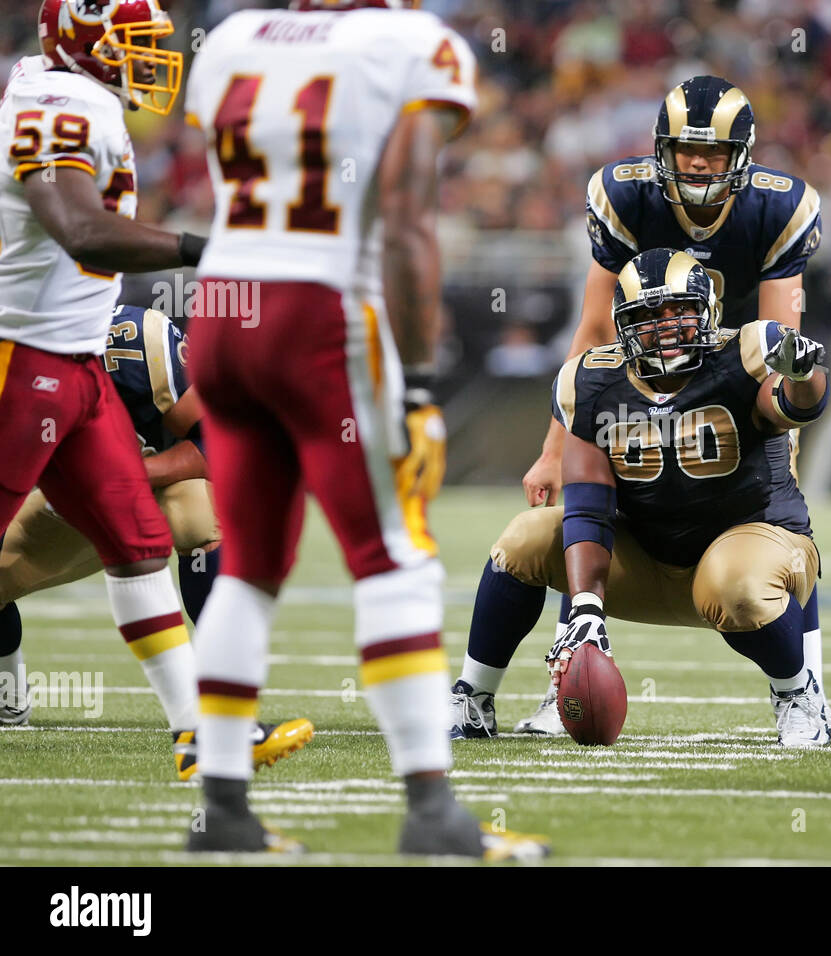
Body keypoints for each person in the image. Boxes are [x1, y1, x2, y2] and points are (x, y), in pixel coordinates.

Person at [183, 0, 544, 859]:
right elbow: (409, 214)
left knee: (247, 565)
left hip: (222, 309)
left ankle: (223, 810)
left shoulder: (231, 38)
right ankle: (431, 813)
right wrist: (418, 382)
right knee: (395, 556)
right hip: (319, 311)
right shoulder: (411, 43)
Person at [511, 75, 831, 736]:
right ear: (661, 148)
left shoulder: (778, 209)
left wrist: (781, 430)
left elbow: (780, 341)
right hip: (639, 369)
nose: (697, 164)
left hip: (731, 374)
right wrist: (554, 447)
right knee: (589, 511)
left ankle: (808, 689)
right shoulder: (624, 195)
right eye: (686, 150)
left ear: (740, 158)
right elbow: (596, 331)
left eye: (713, 153)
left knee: (775, 515)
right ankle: (570, 676)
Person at [449, 249, 831, 747]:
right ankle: (473, 698)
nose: (666, 327)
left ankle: (799, 697)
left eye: (678, 311)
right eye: (648, 317)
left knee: (733, 582)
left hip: (755, 546)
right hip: (647, 559)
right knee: (524, 536)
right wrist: (586, 604)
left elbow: (794, 408)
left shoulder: (746, 351)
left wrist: (803, 374)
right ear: (622, 326)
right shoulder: (591, 380)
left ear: (709, 311)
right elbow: (588, 502)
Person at [0, 0, 209, 775]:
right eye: (133, 44)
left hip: (75, 364)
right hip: (21, 359)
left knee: (138, 545)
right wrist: (201, 248)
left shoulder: (74, 96)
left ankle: (199, 733)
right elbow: (80, 231)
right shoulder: (57, 102)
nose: (147, 60)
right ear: (84, 41)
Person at [0, 305, 313, 777]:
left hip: (161, 483)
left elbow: (218, 445)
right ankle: (8, 698)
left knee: (198, 519)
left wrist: (131, 473)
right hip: (70, 496)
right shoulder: (16, 361)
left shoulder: (135, 343)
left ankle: (223, 708)